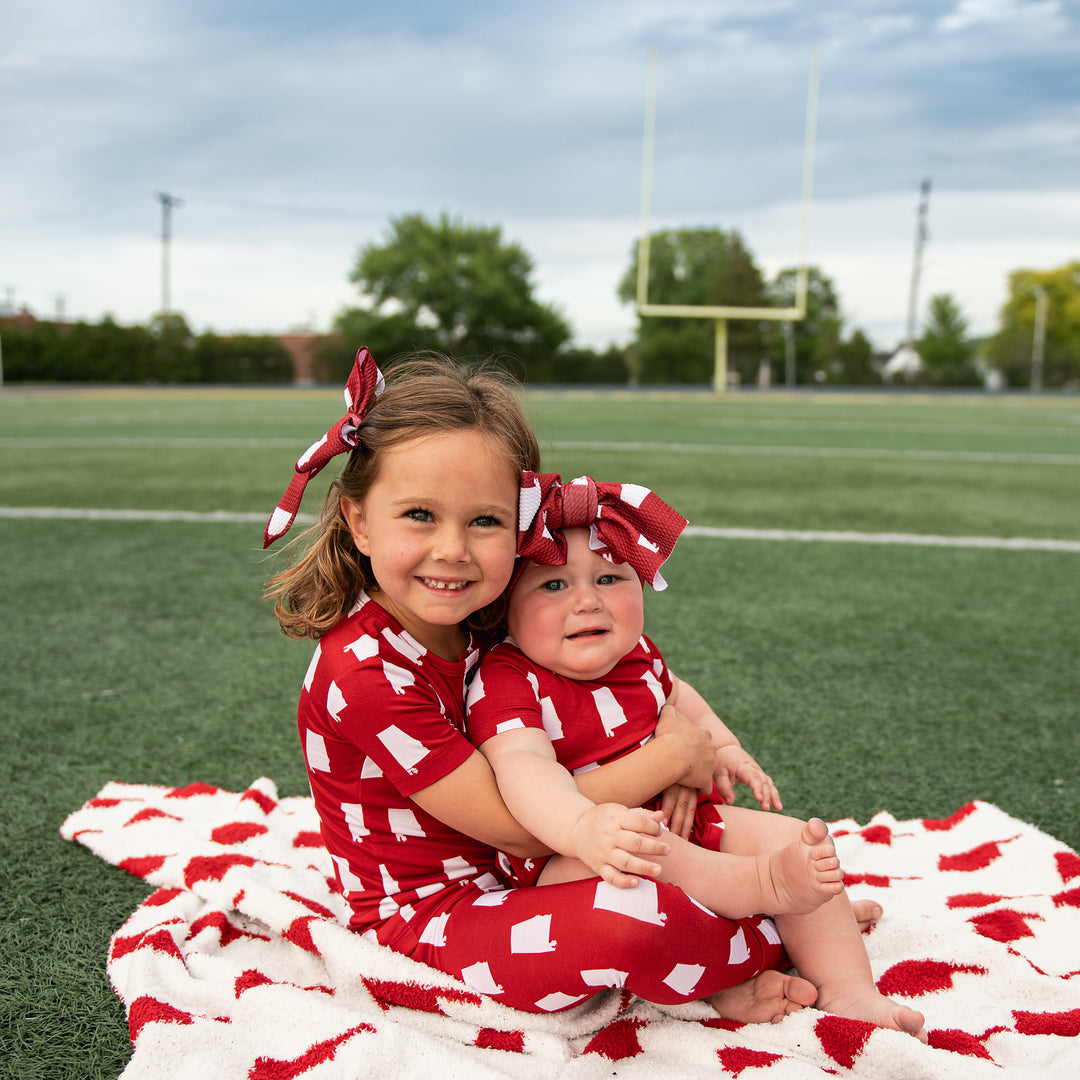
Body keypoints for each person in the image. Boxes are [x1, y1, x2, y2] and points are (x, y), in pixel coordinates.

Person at [263, 348, 821, 1023]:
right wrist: (670, 759)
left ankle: (751, 929)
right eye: (419, 515)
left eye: (485, 521)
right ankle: (767, 935)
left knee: (720, 845)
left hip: (545, 864)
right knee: (631, 919)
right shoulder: (364, 672)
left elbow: (625, 687)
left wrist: (677, 745)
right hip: (438, 912)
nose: (453, 550)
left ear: (523, 527)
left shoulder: (482, 614)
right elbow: (520, 831)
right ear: (359, 522)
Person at [466, 471, 927, 1040]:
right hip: (576, 860)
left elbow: (683, 701)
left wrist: (727, 750)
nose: (587, 601)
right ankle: (767, 896)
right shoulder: (508, 679)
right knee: (654, 866)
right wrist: (585, 829)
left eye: (610, 578)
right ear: (504, 607)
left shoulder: (637, 656)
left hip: (684, 823)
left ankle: (851, 991)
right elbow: (525, 770)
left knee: (792, 839)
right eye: (553, 585)